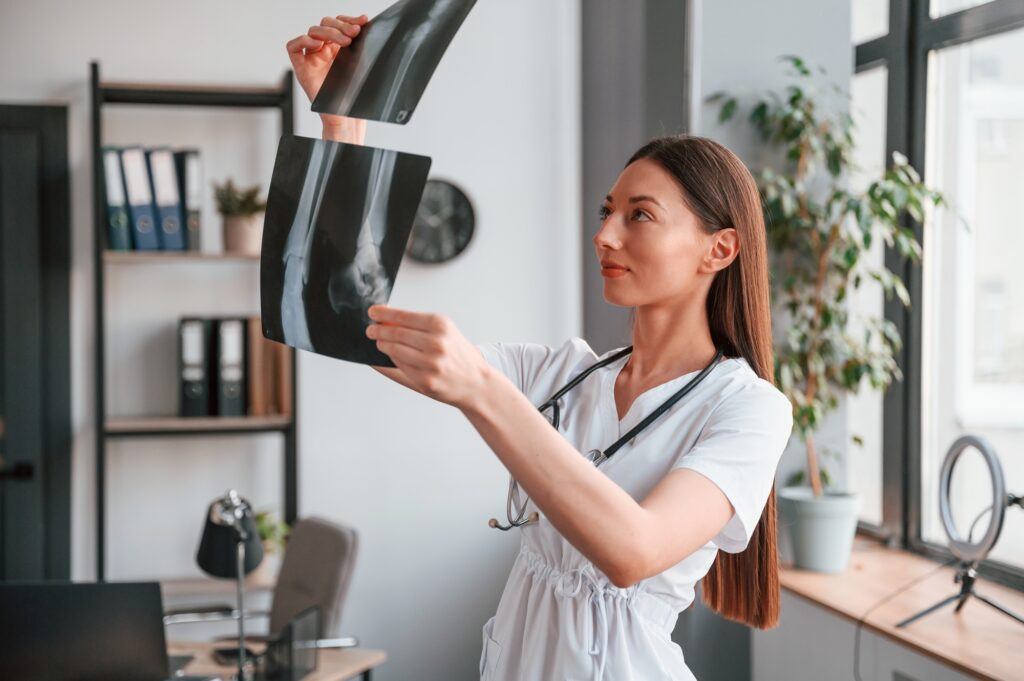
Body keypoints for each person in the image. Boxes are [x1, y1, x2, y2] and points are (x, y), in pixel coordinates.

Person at [288, 15, 795, 681]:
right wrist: (343, 122)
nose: (606, 235)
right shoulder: (562, 374)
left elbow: (632, 548)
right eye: (605, 212)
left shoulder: (749, 408)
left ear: (719, 248)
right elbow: (349, 322)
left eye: (638, 215)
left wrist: (482, 390)